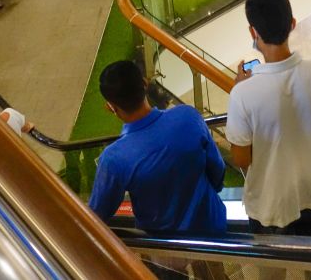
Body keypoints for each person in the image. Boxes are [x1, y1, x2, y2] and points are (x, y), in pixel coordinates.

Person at [226, 0, 311, 236]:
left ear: (253, 32)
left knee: (271, 272)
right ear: (292, 24)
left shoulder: (242, 94)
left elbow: (241, 159)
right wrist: (307, 118)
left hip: (267, 204)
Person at [89, 60, 227, 236]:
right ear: (145, 84)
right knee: (215, 262)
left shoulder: (114, 158)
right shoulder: (188, 116)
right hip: (212, 227)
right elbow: (217, 169)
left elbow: (97, 215)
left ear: (111, 106)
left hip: (164, 247)